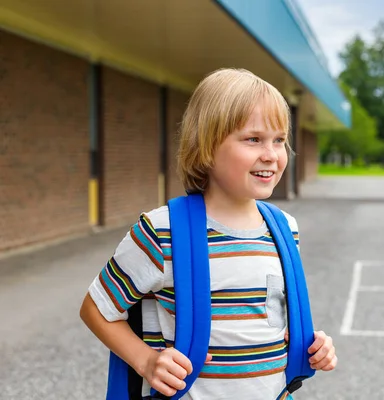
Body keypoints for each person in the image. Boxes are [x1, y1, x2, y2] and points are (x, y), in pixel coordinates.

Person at [79, 68, 337, 399]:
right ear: (207, 146)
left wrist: (311, 342)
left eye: (279, 140)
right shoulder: (163, 232)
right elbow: (97, 308)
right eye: (253, 139)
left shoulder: (286, 229)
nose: (271, 155)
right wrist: (146, 361)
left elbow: (267, 317)